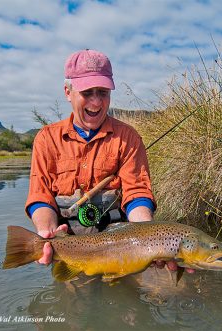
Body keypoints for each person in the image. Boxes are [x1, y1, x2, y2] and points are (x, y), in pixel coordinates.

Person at [25, 49, 193, 273]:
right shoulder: (46, 139)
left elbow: (137, 193)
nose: (96, 102)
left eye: (103, 92)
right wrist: (46, 232)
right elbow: (40, 195)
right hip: (72, 249)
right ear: (68, 92)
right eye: (87, 92)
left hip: (124, 249)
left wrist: (149, 238)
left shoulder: (128, 137)